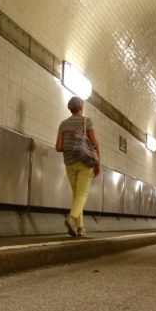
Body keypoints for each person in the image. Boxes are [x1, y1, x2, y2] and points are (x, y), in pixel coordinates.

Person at [54, 96, 100, 237]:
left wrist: (71, 145)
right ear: (81, 107)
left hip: (69, 163)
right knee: (82, 194)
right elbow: (95, 143)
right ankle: (72, 218)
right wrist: (98, 163)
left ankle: (80, 228)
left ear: (70, 108)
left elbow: (58, 147)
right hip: (85, 162)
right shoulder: (87, 121)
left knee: (76, 195)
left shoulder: (63, 124)